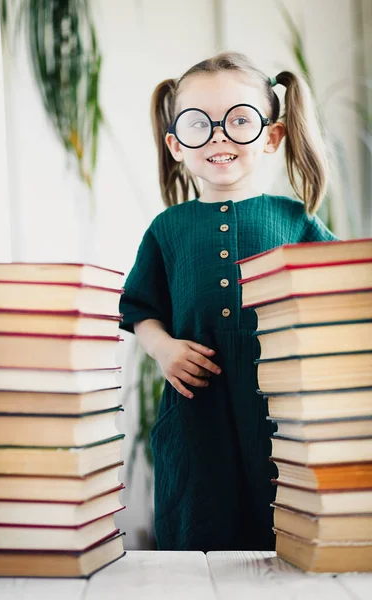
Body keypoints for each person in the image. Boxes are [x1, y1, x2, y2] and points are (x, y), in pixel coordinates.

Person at [119, 51, 340, 552]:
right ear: (177, 145)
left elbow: (342, 295)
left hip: (284, 415)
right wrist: (163, 349)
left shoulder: (295, 221)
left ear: (271, 136)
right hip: (196, 413)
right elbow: (138, 309)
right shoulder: (167, 229)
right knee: (200, 532)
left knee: (288, 535)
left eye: (240, 120)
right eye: (200, 124)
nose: (219, 135)